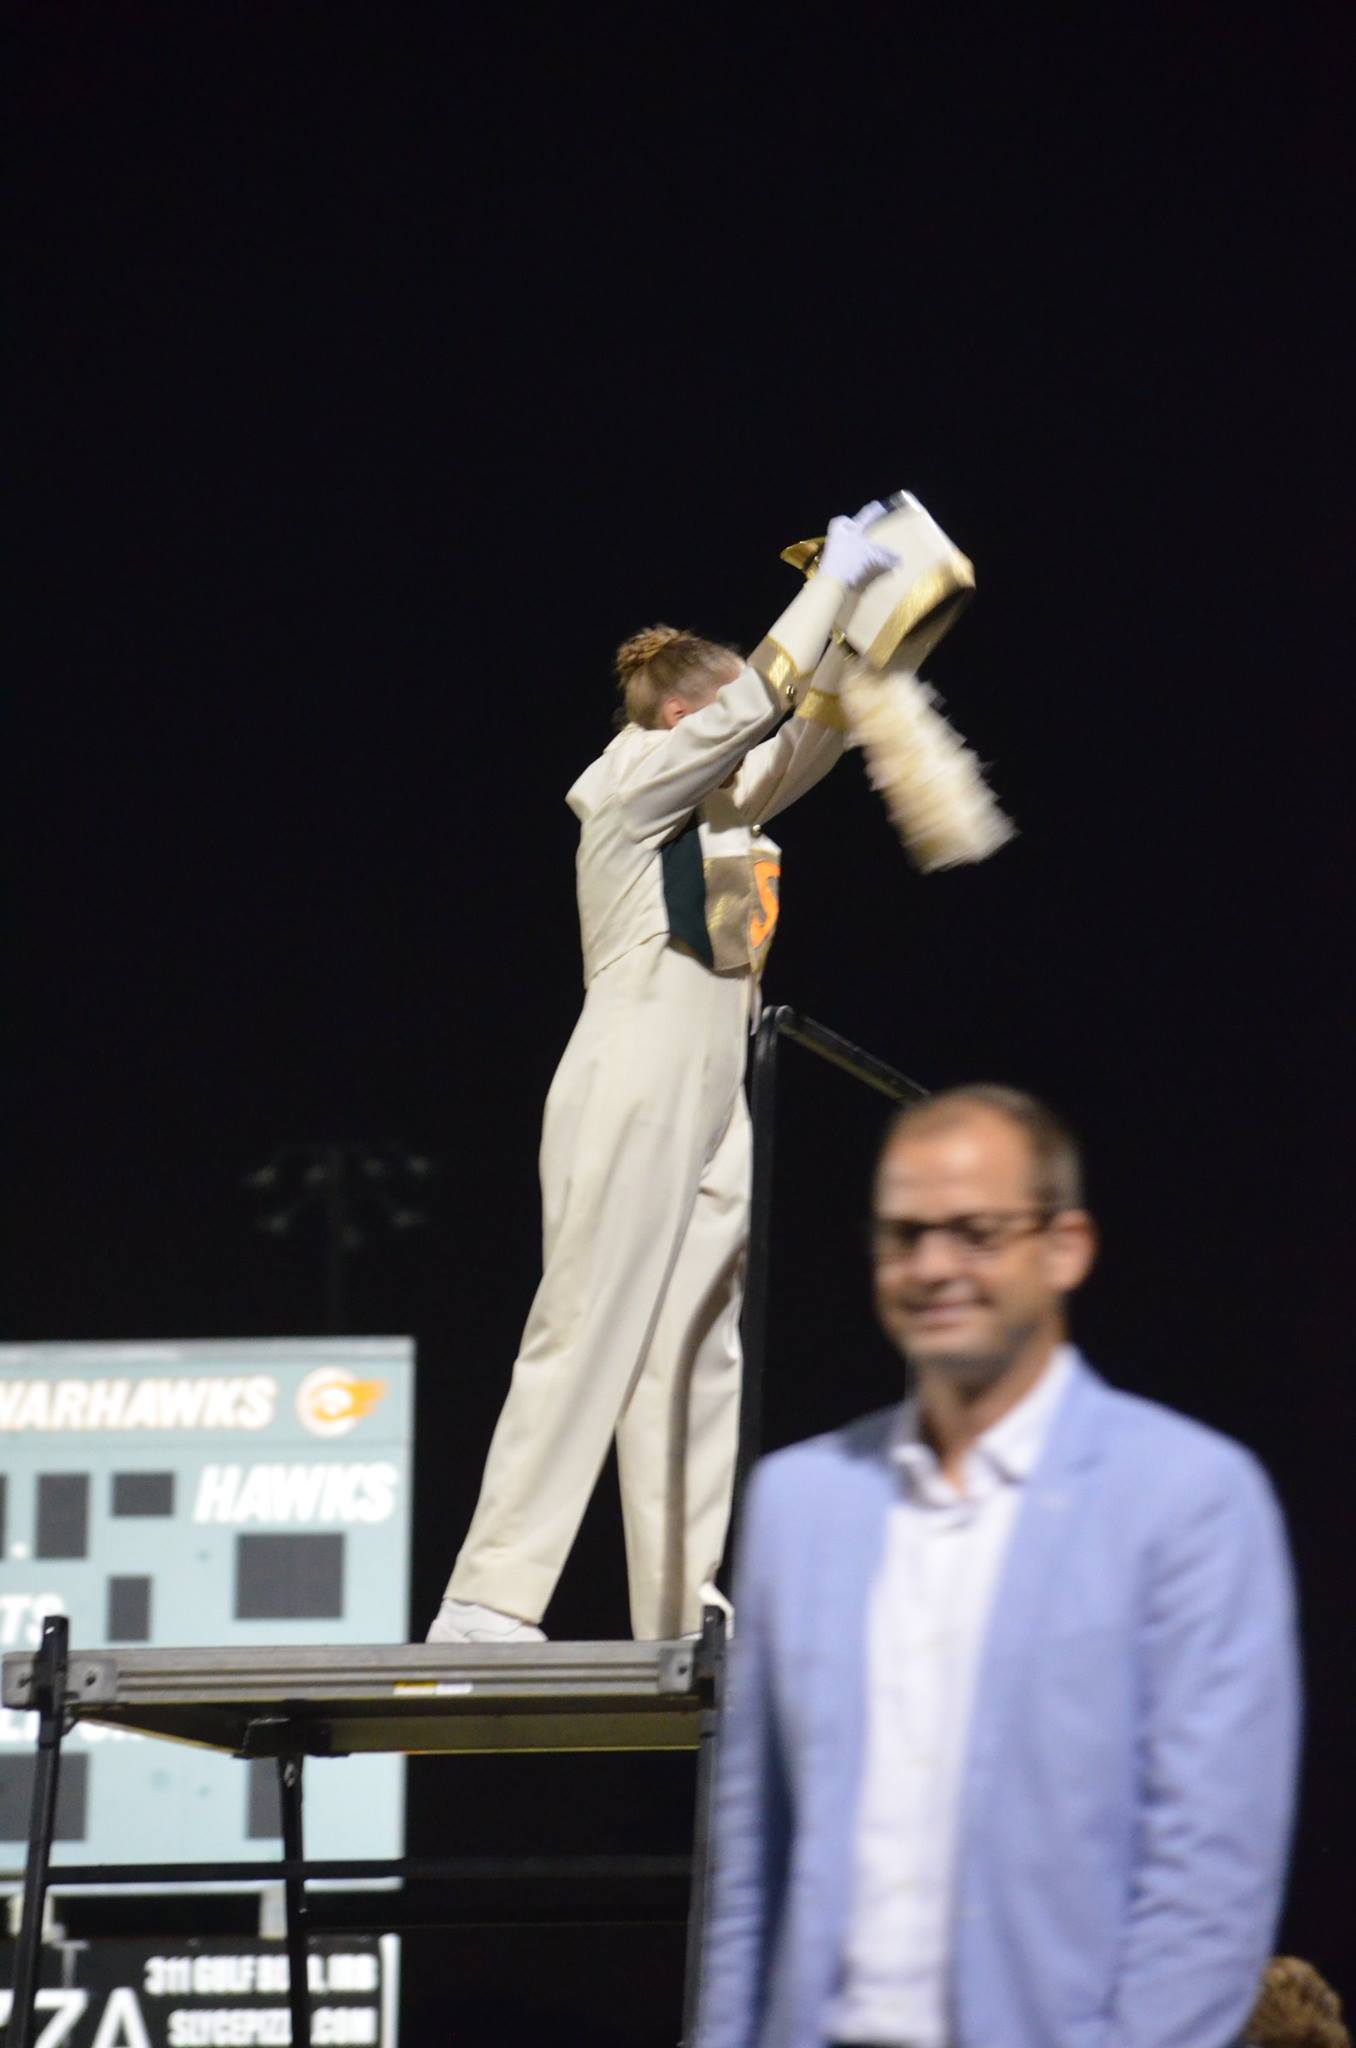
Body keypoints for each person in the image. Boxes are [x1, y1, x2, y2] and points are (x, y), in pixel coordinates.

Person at [698, 1085, 1301, 2048]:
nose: (934, 1266)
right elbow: (750, 1868)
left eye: (976, 1233)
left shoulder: (1188, 1500)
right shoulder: (800, 1504)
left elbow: (1210, 1877)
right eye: (905, 1235)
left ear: (1066, 1247)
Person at [426, 504, 900, 1645]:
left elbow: (811, 734)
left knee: (695, 1346)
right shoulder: (629, 780)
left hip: (710, 1087)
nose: (747, 729)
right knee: (589, 1319)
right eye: (727, 710)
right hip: (633, 1063)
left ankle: (680, 1606)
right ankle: (488, 1596)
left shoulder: (722, 811)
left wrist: (876, 625)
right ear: (685, 716)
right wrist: (824, 585)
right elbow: (758, 707)